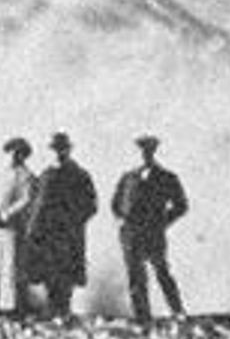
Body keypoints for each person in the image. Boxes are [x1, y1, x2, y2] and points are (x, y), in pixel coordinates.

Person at [110, 134, 188, 321]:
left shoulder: (166, 177)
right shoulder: (128, 177)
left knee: (162, 271)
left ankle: (177, 311)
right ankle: (142, 315)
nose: (146, 155)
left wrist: (163, 222)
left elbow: (181, 205)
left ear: (154, 152)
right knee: (135, 276)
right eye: (143, 151)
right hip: (131, 234)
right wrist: (122, 221)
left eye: (149, 151)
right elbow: (115, 204)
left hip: (153, 232)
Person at [28, 130, 99, 316]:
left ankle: (64, 310)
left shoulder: (80, 175)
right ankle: (52, 309)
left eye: (62, 149)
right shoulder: (44, 175)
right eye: (55, 149)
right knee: (48, 272)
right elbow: (36, 204)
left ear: (68, 150)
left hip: (68, 234)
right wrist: (35, 227)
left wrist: (73, 220)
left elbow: (91, 204)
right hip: (47, 233)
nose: (58, 152)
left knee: (66, 273)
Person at [0, 137, 40, 312]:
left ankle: (10, 304)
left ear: (24, 156)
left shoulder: (27, 176)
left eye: (18, 153)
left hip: (14, 225)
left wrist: (7, 214)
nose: (14, 156)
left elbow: (26, 200)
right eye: (11, 152)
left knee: (12, 262)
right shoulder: (1, 174)